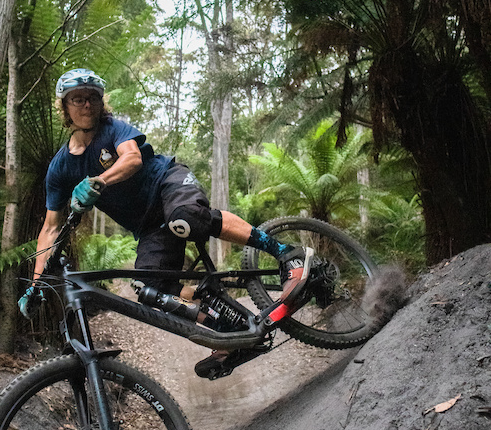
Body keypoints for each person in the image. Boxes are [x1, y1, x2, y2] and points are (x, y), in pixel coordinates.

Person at [24, 68, 312, 378]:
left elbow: (132, 158)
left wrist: (98, 182)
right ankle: (230, 330)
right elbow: (51, 229)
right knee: (151, 288)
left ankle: (286, 253)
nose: (86, 105)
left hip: (168, 182)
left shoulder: (112, 129)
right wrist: (36, 284)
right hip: (149, 225)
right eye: (77, 99)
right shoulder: (60, 168)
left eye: (93, 98)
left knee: (186, 218)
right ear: (64, 107)